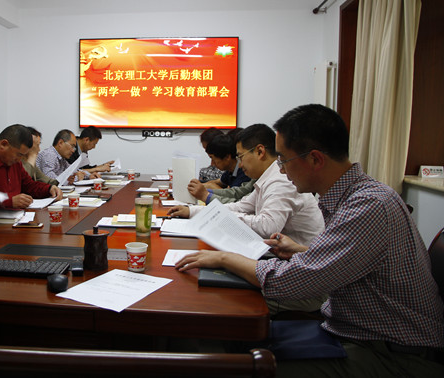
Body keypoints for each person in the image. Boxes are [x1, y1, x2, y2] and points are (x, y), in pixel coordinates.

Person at [175, 104, 444, 377]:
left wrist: (225, 258)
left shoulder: (367, 206)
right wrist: (303, 250)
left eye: (283, 160)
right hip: (351, 330)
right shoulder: (355, 195)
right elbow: (350, 260)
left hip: (388, 353)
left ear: (315, 159)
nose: (281, 170)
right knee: (236, 339)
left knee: (240, 365)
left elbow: (290, 282)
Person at [170, 123, 324, 247]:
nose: (240, 164)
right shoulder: (268, 178)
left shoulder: (281, 180)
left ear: (260, 152)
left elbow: (267, 227)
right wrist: (192, 211)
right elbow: (241, 206)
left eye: (241, 157)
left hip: (299, 260)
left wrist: (220, 217)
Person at [0, 124, 62, 208]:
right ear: (4, 144)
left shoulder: (14, 161)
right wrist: (9, 202)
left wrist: (48, 189)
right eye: (19, 155)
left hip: (16, 216)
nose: (20, 160)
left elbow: (28, 185)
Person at [187, 132, 254, 204]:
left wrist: (205, 194)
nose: (212, 164)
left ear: (227, 157)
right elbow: (230, 189)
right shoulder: (230, 171)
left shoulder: (245, 173)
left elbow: (236, 200)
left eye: (213, 158)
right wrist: (200, 187)